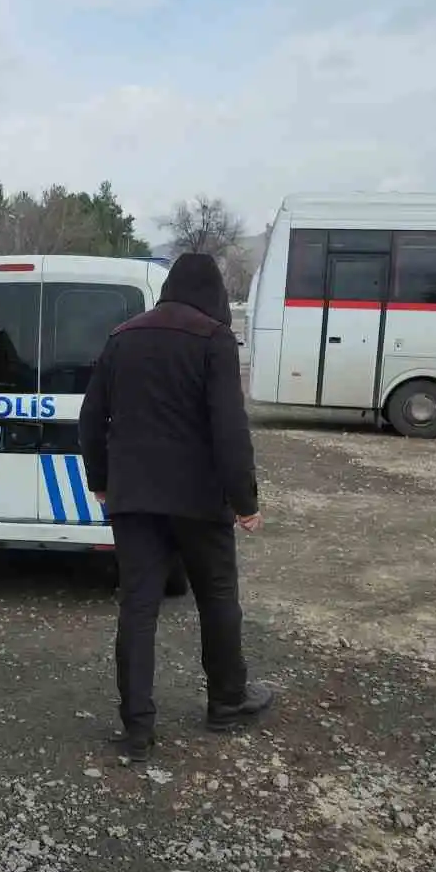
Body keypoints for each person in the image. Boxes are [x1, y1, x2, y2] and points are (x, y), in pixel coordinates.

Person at [79, 251, 274, 762]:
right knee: (216, 597)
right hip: (199, 501)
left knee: (137, 608)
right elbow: (229, 427)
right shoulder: (214, 339)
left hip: (135, 499)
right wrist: (244, 500)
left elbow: (91, 416)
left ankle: (136, 727)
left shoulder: (122, 337)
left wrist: (100, 480)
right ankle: (227, 701)